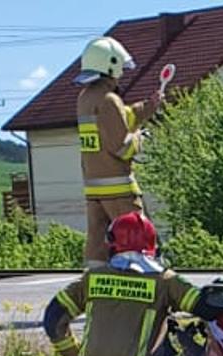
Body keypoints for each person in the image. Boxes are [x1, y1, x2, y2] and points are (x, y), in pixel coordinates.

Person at [44, 211, 223, 356]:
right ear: (153, 246)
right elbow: (206, 308)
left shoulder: (92, 278)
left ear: (112, 244)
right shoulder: (165, 281)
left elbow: (52, 320)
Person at [74, 37, 163, 268]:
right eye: (120, 68)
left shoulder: (85, 99)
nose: (121, 74)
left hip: (94, 189)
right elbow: (123, 146)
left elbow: (118, 120)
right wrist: (141, 138)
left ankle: (94, 281)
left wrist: (148, 106)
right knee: (137, 237)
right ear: (111, 65)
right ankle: (144, 283)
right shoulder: (109, 99)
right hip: (119, 190)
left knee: (97, 245)